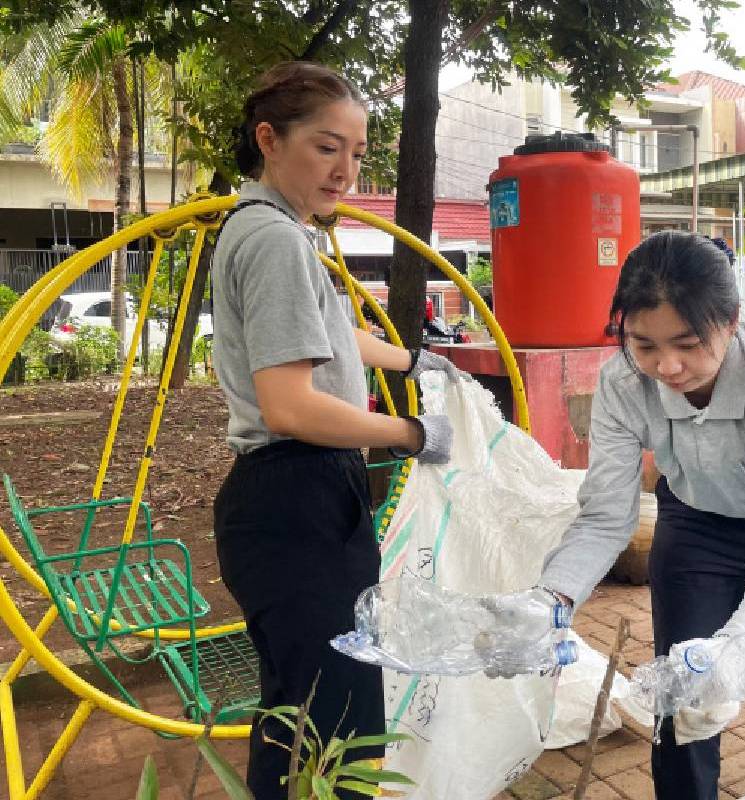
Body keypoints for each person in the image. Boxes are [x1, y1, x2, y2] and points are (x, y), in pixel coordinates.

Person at [492, 231, 745, 799]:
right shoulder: (622, 382)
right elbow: (605, 515)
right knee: (682, 694)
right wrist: (551, 600)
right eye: (644, 344)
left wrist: (744, 646)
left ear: (731, 322)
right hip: (699, 519)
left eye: (688, 343)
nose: (668, 366)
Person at [211, 62, 458, 799]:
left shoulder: (274, 229)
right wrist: (411, 433)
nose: (345, 170)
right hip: (296, 495)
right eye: (326, 147)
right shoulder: (276, 241)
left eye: (356, 152)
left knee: (298, 717)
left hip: (292, 497)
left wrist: (412, 359)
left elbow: (330, 333)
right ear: (269, 139)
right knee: (334, 733)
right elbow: (289, 406)